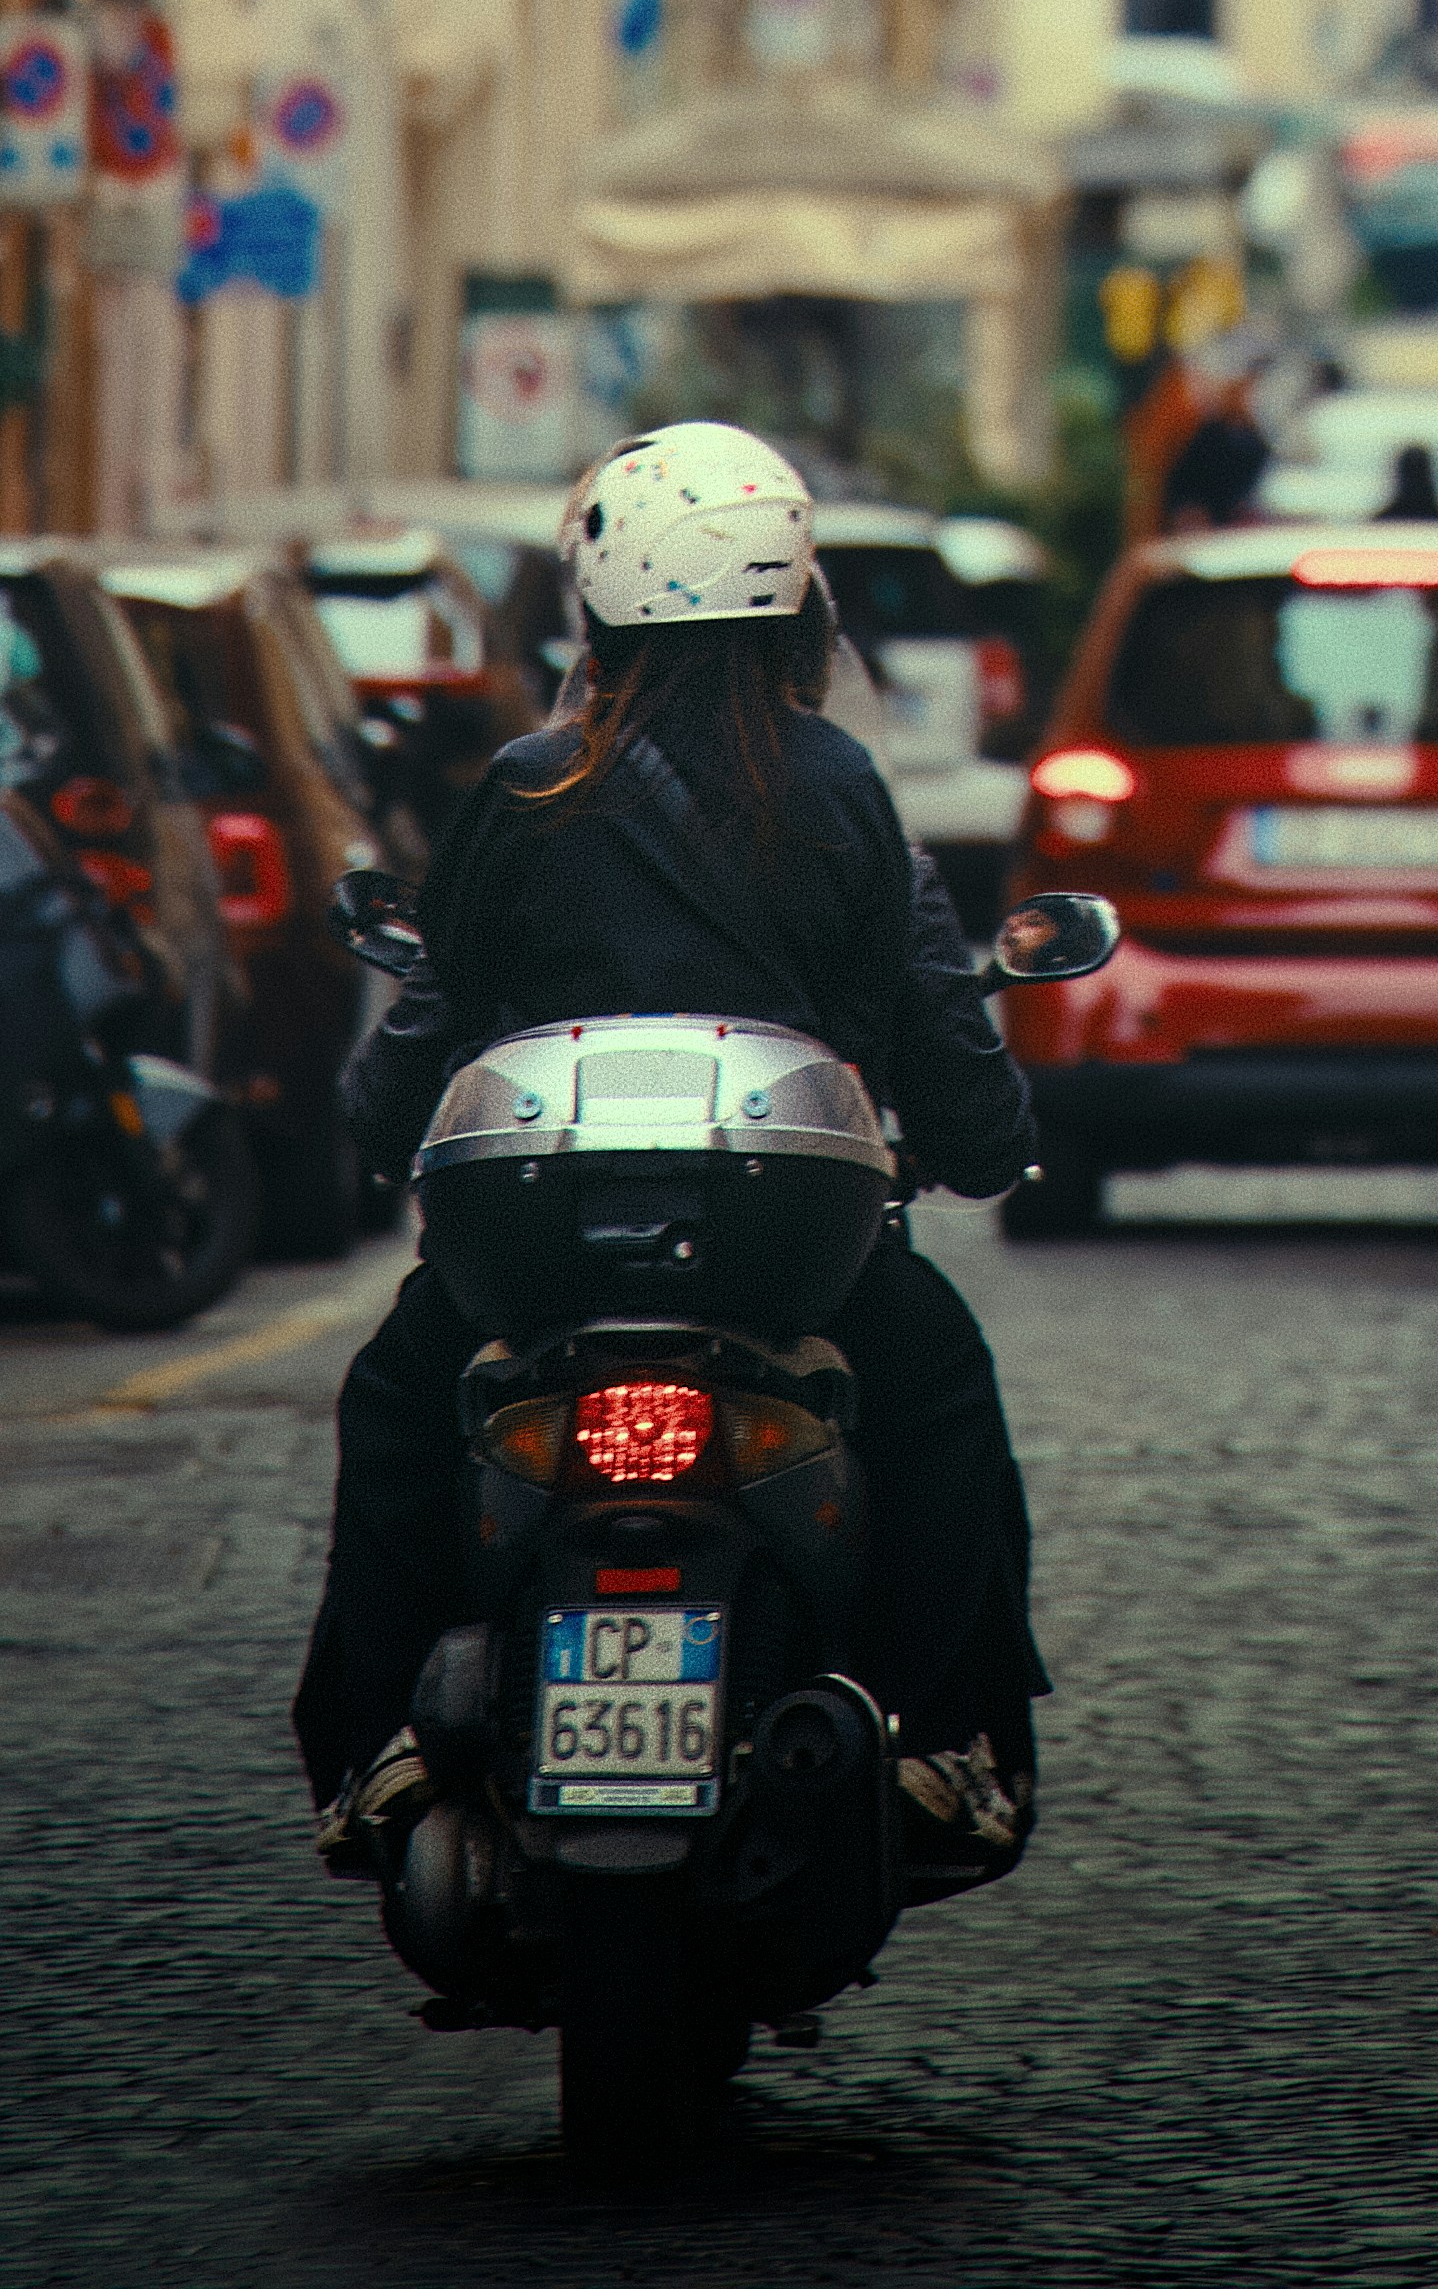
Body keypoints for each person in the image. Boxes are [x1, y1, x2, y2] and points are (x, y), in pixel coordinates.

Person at [293, 423, 1052, 1889]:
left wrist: (378, 1125)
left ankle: (379, 1741)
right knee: (938, 1382)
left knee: (400, 1400)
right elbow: (939, 1031)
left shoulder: (522, 789)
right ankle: (943, 1735)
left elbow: (424, 1030)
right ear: (799, 608)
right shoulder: (836, 788)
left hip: (533, 1246)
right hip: (786, 1250)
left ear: (595, 610)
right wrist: (983, 1141)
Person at [1159, 359, 1271, 530]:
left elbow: (1249, 490)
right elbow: (1181, 480)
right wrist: (1188, 510)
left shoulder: (1257, 442)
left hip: (1229, 525)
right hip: (1196, 520)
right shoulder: (1208, 433)